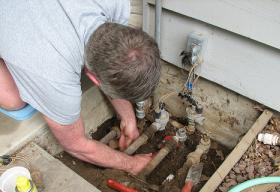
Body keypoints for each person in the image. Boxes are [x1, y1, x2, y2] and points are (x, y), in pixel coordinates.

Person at [0, 0, 161, 175]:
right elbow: (75, 144)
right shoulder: (54, 74)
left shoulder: (117, 4)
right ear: (92, 78)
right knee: (13, 100)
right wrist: (131, 164)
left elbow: (116, 56)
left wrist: (128, 119)